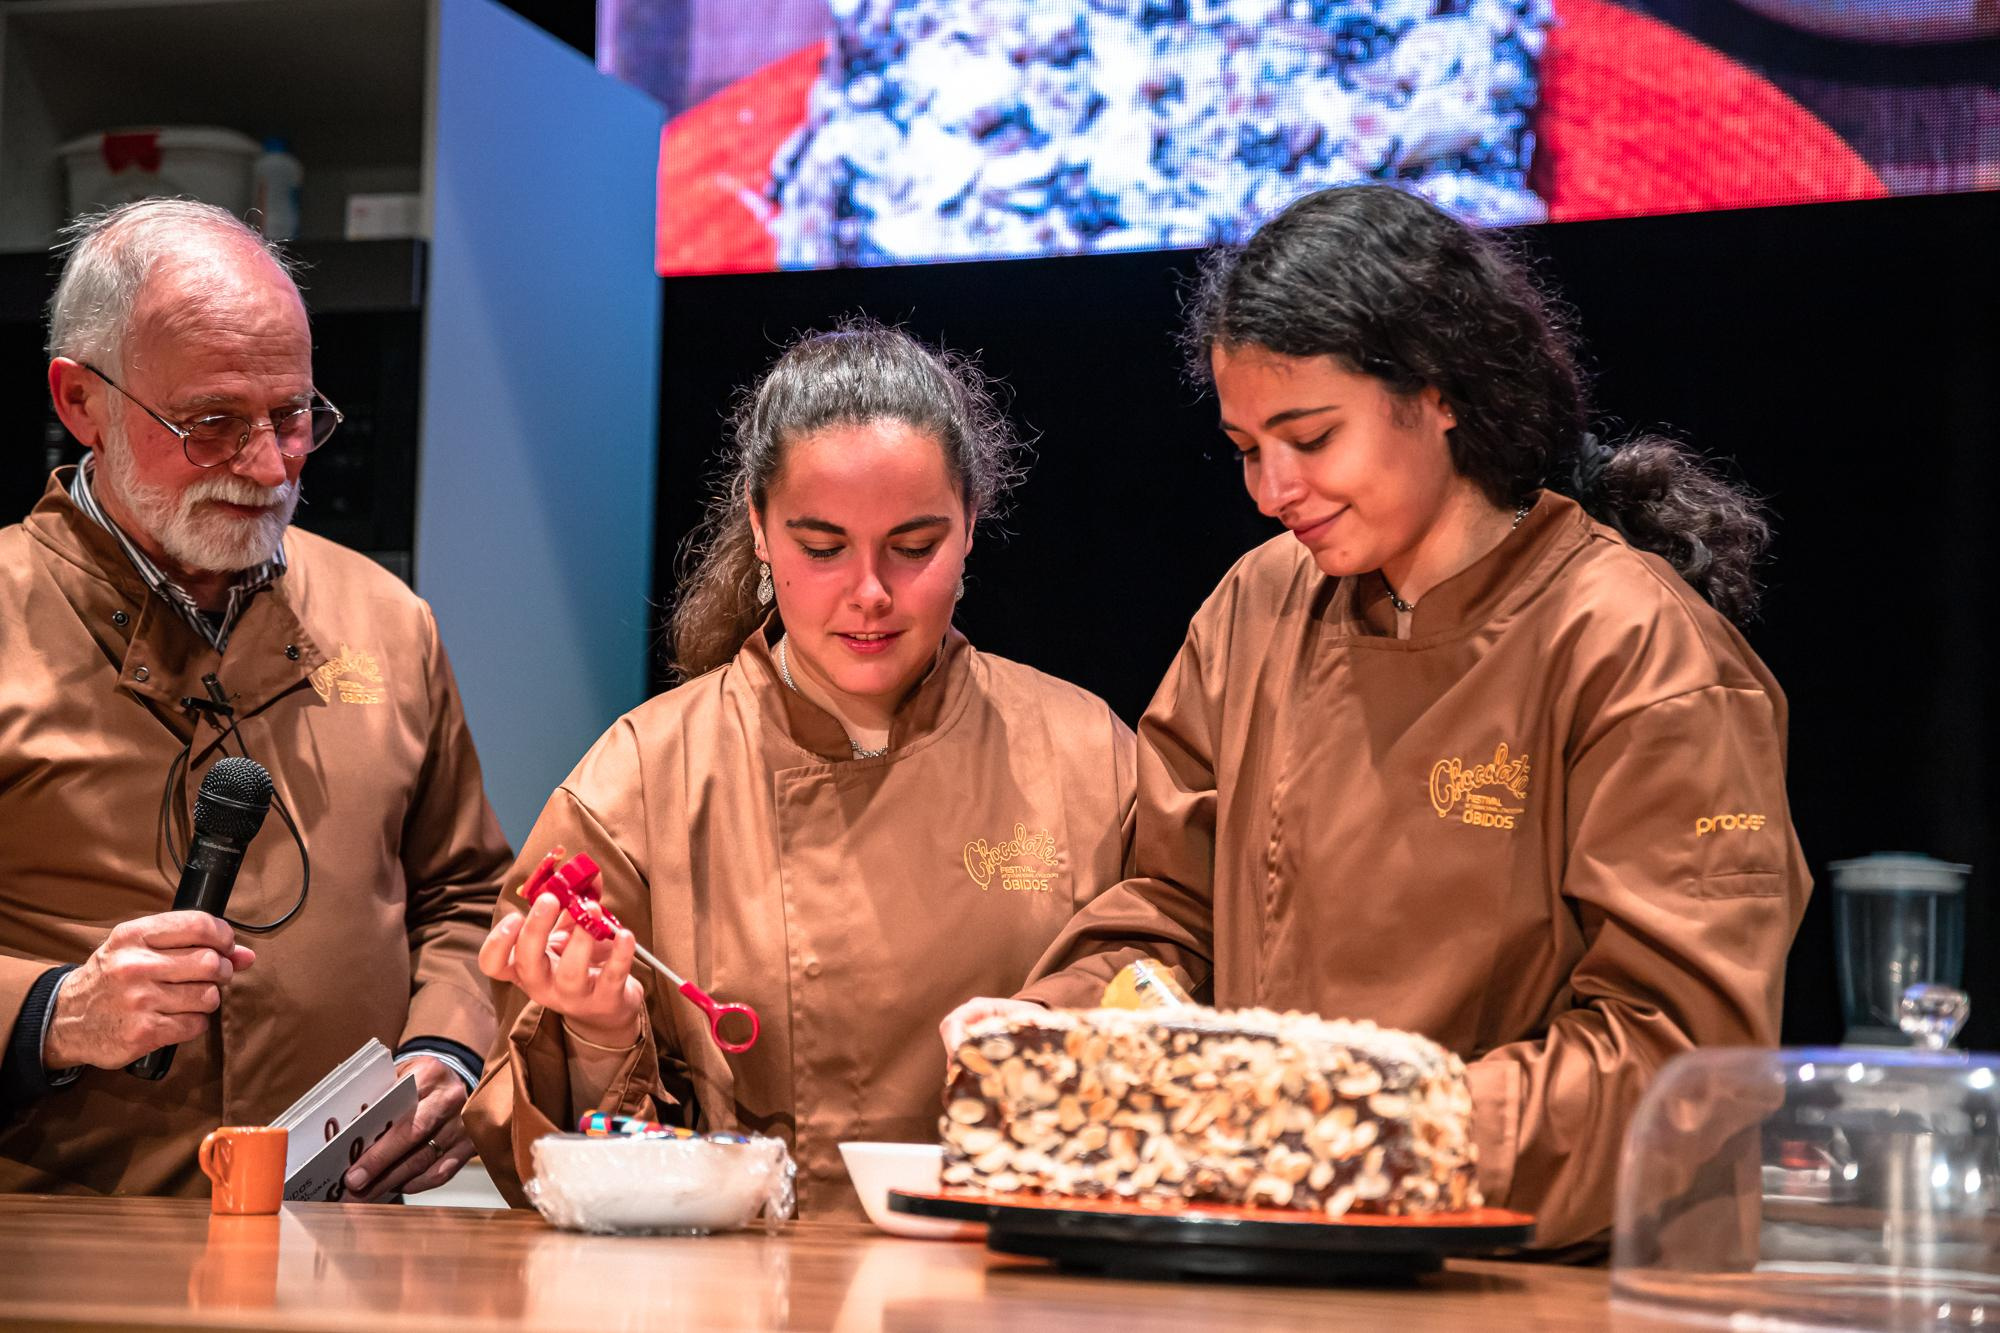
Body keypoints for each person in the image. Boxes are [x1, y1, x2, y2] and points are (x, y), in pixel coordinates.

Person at [942, 185, 1812, 1252]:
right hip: (1288, 1251)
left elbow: (1680, 1054)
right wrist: (1067, 1023)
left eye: (1309, 436)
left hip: (1552, 1277)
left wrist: (1360, 1130)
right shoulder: (1256, 605)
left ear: (1438, 393)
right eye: (1246, 447)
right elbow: (1168, 908)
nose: (1272, 487)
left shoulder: (1637, 649)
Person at [463, 322, 1135, 1216]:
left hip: (1021, 1286)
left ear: (972, 523)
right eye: (822, 548)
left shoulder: (1086, 753)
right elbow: (540, 1164)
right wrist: (594, 1032)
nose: (869, 592)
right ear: (759, 527)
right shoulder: (639, 778)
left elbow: (1164, 998)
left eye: (914, 544)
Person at [0, 200, 511, 1200]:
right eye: (212, 424)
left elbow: (467, 896)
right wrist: (54, 1011)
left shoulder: (387, 620)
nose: (270, 466)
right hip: (59, 1237)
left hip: (345, 1241)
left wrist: (448, 1048)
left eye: (292, 416)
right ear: (78, 400)